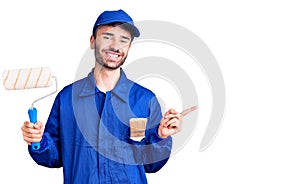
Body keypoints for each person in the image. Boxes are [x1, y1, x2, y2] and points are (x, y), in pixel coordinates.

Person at [21, 9, 185, 183]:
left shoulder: (144, 100)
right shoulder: (67, 98)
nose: (115, 46)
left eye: (124, 40)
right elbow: (53, 157)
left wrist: (161, 137)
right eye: (107, 37)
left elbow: (151, 165)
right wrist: (38, 141)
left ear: (129, 47)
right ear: (92, 42)